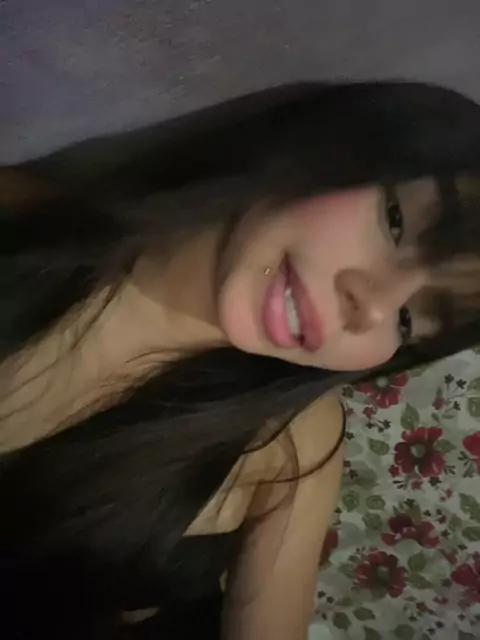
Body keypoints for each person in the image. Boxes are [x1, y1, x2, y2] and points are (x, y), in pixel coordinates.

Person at [1, 81, 480, 640]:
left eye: (410, 319)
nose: (372, 307)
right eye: (396, 222)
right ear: (328, 146)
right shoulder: (23, 225)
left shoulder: (296, 439)